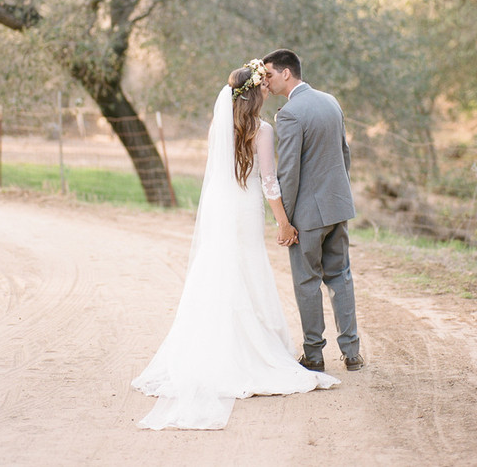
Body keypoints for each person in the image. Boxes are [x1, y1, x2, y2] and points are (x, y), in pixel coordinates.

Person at [132, 59, 339, 430]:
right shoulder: (262, 130)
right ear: (257, 94)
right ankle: (245, 352)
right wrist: (284, 222)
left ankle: (208, 349)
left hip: (219, 205)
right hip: (242, 207)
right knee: (244, 267)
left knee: (216, 268)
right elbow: (269, 182)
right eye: (264, 87)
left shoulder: (219, 126)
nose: (267, 91)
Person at [262, 49, 364, 373]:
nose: (267, 80)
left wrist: (286, 221)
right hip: (338, 206)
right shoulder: (331, 101)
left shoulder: (289, 114)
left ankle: (314, 355)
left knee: (307, 282)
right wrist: (339, 195)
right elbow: (344, 155)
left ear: (286, 73)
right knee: (341, 277)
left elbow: (289, 172)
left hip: (307, 216)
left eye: (270, 74)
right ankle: (352, 353)